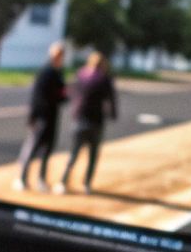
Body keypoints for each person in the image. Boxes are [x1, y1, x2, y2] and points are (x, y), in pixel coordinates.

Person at [59, 50, 118, 195]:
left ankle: (63, 181)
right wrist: (112, 114)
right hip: (95, 121)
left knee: (74, 153)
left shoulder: (80, 74)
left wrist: (75, 107)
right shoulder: (104, 79)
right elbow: (111, 99)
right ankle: (86, 183)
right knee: (92, 155)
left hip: (79, 118)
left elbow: (70, 91)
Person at [14, 42, 67, 191]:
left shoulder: (58, 72)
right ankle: (22, 178)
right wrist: (33, 117)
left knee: (47, 150)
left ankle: (41, 180)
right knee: (32, 148)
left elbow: (62, 94)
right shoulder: (46, 72)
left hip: (52, 117)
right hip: (41, 117)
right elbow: (37, 96)